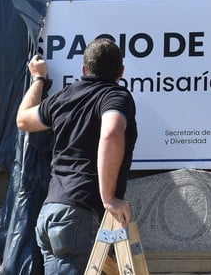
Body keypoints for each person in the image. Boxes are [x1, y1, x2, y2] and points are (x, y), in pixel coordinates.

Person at [16, 37, 138, 275]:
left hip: (53, 212)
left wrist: (38, 79)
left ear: (84, 69)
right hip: (79, 214)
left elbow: (23, 119)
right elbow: (111, 133)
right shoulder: (115, 96)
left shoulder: (64, 97)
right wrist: (109, 198)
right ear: (121, 72)